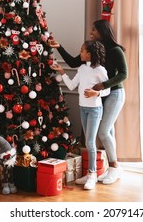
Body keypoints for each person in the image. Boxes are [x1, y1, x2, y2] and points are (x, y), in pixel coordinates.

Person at [49, 19, 127, 185]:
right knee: (109, 132)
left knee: (104, 131)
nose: (91, 33)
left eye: (94, 30)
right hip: (98, 95)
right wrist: (58, 47)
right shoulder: (94, 50)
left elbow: (123, 74)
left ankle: (114, 166)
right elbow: (72, 63)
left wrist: (101, 86)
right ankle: (112, 168)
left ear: (102, 31)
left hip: (114, 93)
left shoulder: (116, 50)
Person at [50, 40, 110, 190]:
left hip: (95, 110)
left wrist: (97, 92)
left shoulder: (100, 70)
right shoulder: (82, 68)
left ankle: (92, 174)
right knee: (87, 142)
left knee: (90, 142)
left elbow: (108, 89)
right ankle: (90, 174)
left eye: (82, 50)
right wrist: (62, 71)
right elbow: (71, 86)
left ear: (89, 54)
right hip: (83, 108)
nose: (80, 53)